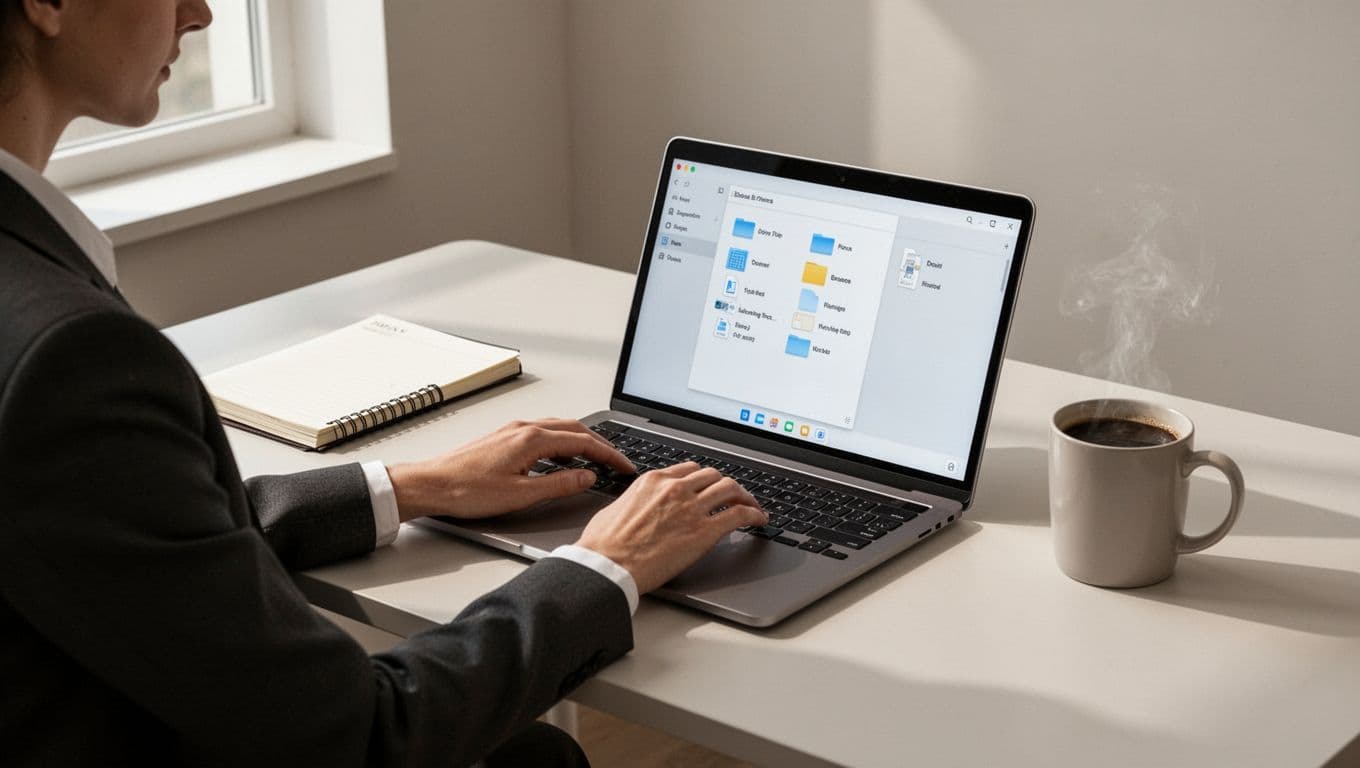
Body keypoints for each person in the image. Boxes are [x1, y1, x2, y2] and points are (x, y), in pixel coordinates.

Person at [0, 2, 767, 766]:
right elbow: (363, 737)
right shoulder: (71, 357)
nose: (199, 14)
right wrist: (607, 565)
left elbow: (132, 545)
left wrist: (407, 485)